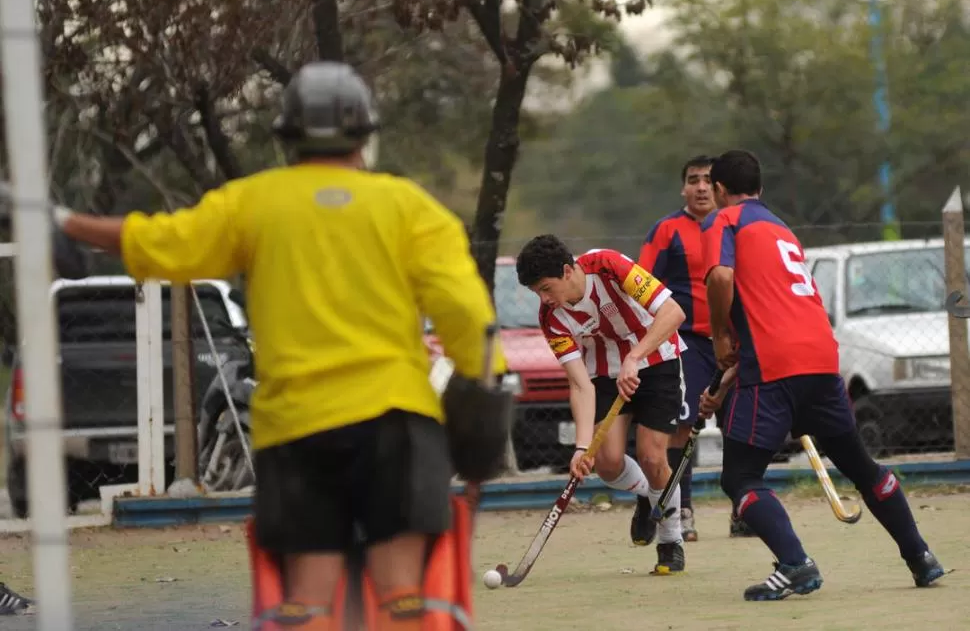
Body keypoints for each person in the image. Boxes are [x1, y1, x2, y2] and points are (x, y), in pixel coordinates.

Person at [51, 61, 513, 631]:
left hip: (297, 429)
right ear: (366, 136)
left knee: (309, 602)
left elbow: (160, 244)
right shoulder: (408, 207)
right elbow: (468, 316)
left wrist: (65, 221)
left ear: (286, 136)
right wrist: (485, 392)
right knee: (401, 596)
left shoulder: (254, 203)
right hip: (395, 422)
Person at [697, 149, 946, 601]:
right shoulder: (781, 230)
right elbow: (775, 316)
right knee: (861, 467)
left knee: (740, 477)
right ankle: (922, 558)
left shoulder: (724, 220)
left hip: (774, 369)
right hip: (820, 359)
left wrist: (717, 338)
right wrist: (728, 380)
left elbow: (719, 278)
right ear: (761, 188)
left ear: (718, 189)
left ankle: (795, 565)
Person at [516, 235, 689, 575]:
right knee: (606, 463)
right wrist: (582, 447)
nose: (545, 299)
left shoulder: (608, 265)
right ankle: (646, 495)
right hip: (604, 372)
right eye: (536, 292)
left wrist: (635, 356)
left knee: (653, 457)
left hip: (656, 358)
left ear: (568, 271)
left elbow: (673, 312)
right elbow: (580, 384)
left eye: (546, 288)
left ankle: (671, 539)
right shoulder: (552, 318)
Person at [638, 154, 754, 542]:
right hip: (687, 342)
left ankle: (744, 508)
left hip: (736, 342)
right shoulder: (666, 230)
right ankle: (681, 508)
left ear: (719, 186)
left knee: (739, 423)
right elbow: (643, 289)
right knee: (683, 425)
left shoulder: (737, 225)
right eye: (693, 180)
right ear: (683, 187)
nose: (701, 187)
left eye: (707, 179)